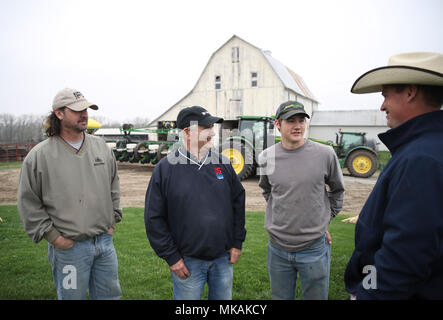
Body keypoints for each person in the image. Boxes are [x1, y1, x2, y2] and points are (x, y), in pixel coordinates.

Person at [344, 52, 443, 299]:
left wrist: (368, 295)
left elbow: (404, 258)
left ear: (410, 92)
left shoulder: (420, 159)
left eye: (386, 95)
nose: (382, 105)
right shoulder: (427, 148)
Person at [17, 88, 122, 300]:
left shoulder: (101, 147)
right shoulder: (40, 155)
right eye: (76, 110)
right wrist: (54, 238)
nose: (84, 114)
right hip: (69, 249)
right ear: (59, 113)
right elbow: (29, 202)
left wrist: (112, 221)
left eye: (86, 109)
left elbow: (113, 186)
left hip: (104, 243)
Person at [145, 106, 246, 300]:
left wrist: (237, 243)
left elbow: (238, 203)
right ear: (186, 132)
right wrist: (172, 257)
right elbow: (153, 218)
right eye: (206, 128)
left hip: (223, 260)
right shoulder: (165, 169)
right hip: (187, 262)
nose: (213, 132)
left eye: (212, 127)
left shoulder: (223, 164)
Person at [258, 101, 345, 300]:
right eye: (291, 121)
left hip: (314, 248)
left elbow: (338, 190)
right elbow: (267, 191)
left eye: (301, 120)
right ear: (278, 124)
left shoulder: (325, 154)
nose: (298, 126)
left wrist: (324, 220)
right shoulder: (265, 158)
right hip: (277, 248)